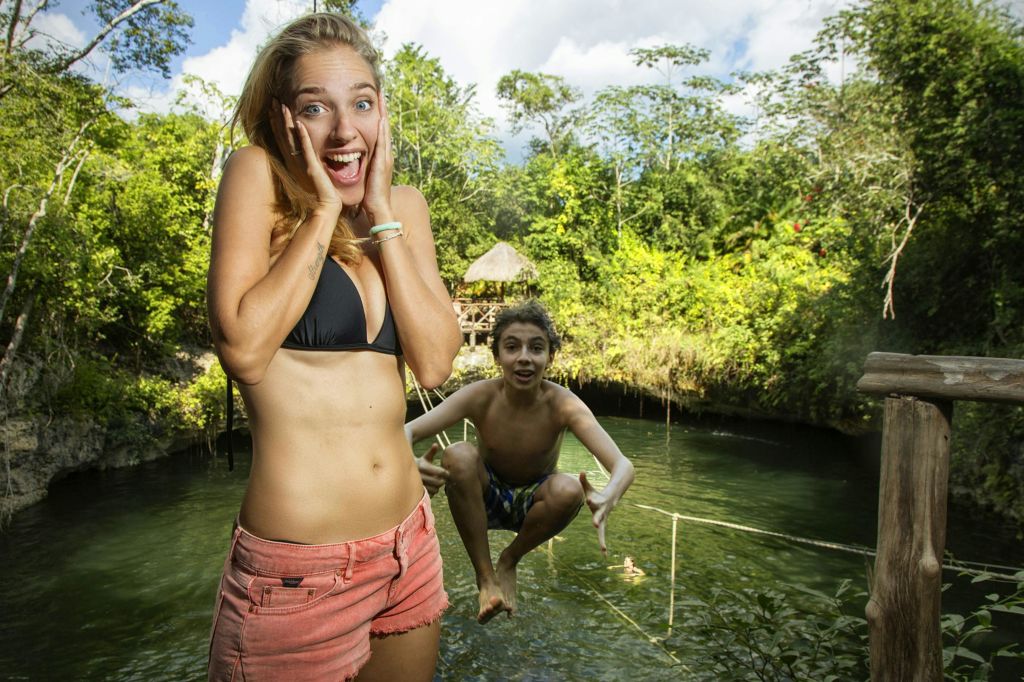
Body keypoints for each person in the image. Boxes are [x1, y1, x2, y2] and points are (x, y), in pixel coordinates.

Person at [205, 12, 461, 681]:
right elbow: (245, 350)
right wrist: (322, 213)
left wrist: (380, 214)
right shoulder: (257, 178)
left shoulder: (403, 206)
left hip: (409, 544)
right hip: (299, 573)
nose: (346, 132)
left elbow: (435, 361)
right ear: (281, 117)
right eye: (317, 108)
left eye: (363, 104)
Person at [405, 301, 635, 624]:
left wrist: (609, 495)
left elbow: (623, 465)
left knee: (569, 488)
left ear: (549, 358)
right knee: (457, 454)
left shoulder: (563, 404)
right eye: (512, 347)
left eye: (536, 348)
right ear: (498, 357)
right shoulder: (481, 396)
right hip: (484, 497)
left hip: (535, 504)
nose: (524, 357)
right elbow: (408, 430)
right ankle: (485, 578)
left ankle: (509, 560)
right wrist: (410, 463)